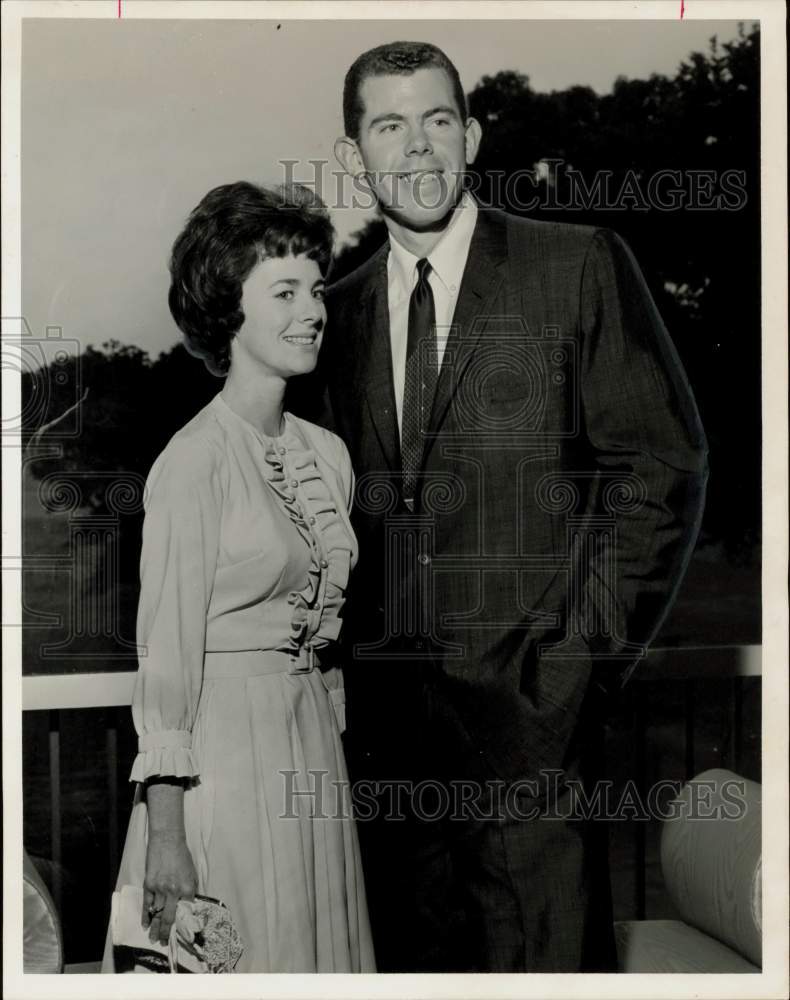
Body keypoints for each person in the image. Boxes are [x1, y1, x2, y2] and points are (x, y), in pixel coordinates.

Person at [315, 41, 708, 972]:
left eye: (438, 121)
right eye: (389, 125)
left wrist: (571, 670)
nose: (417, 149)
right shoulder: (336, 317)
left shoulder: (574, 266)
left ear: (474, 136)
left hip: (533, 749)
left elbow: (657, 470)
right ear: (352, 157)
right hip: (387, 770)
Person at [102, 181, 375, 973]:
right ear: (231, 311)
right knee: (230, 961)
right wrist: (165, 837)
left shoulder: (327, 455)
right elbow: (167, 661)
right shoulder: (193, 462)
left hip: (310, 748)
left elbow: (322, 631)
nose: (312, 310)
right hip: (221, 759)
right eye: (283, 291)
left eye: (315, 288)